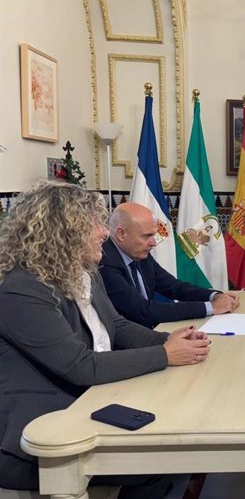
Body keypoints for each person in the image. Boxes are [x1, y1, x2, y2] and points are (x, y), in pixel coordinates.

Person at [0, 180, 211, 498]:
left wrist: (169, 340)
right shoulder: (22, 289)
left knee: (175, 436)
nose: (104, 232)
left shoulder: (82, 270)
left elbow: (117, 325)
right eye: (95, 224)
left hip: (88, 400)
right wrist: (166, 355)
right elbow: (80, 366)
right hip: (38, 434)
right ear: (64, 232)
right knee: (157, 463)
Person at [100, 202, 240, 329]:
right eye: (146, 236)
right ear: (121, 234)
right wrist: (210, 307)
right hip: (125, 343)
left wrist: (214, 296)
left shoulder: (138, 253)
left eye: (153, 235)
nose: (153, 242)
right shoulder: (105, 262)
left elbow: (175, 287)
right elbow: (143, 311)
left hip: (149, 331)